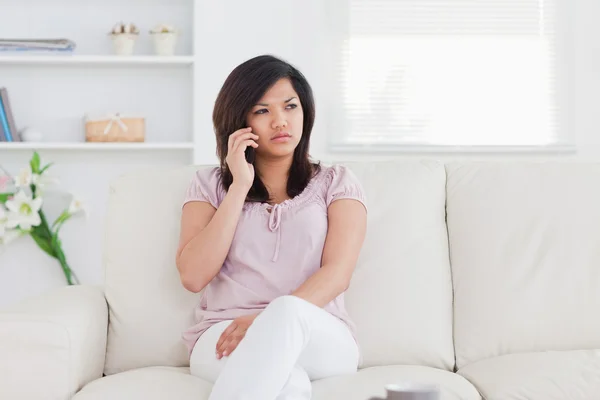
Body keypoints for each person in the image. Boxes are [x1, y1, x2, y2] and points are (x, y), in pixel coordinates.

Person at [176, 54, 368, 400]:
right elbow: (192, 276)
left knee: (289, 311)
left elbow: (338, 273)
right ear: (239, 121)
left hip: (318, 333)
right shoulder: (208, 186)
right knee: (289, 385)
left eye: (290, 106)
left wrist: (269, 321)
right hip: (225, 332)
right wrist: (238, 187)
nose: (281, 121)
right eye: (262, 111)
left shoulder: (336, 182)